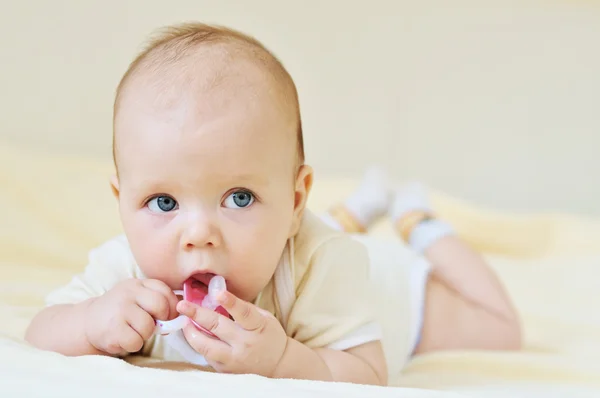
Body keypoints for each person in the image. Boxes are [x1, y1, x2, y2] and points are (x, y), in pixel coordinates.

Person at [25, 22, 520, 386]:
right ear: (122, 201)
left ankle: (418, 221)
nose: (197, 233)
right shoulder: (124, 268)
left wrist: (282, 360)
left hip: (386, 287)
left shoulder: (325, 263)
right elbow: (41, 333)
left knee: (502, 329)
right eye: (162, 201)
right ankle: (354, 212)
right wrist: (89, 323)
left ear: (295, 199)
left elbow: (368, 374)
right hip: (308, 237)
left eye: (238, 198)